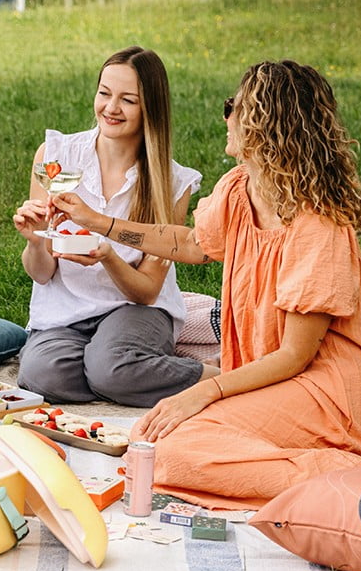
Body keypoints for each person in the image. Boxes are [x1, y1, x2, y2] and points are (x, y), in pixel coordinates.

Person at [54, 60, 361, 509]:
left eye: (234, 106)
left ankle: (350, 473)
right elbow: (191, 243)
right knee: (150, 443)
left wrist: (204, 390)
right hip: (266, 381)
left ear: (265, 126)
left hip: (326, 392)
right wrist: (99, 222)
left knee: (169, 453)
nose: (226, 116)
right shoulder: (240, 188)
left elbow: (295, 355)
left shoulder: (317, 225)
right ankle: (303, 465)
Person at [11, 46, 212, 408]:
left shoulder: (172, 182)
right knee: (42, 375)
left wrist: (108, 256)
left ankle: (214, 379)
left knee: (110, 367)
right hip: (64, 313)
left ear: (150, 107)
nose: (110, 108)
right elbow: (42, 275)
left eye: (128, 100)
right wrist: (35, 243)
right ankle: (127, 374)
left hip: (136, 310)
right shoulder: (55, 158)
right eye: (104, 93)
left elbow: (147, 290)